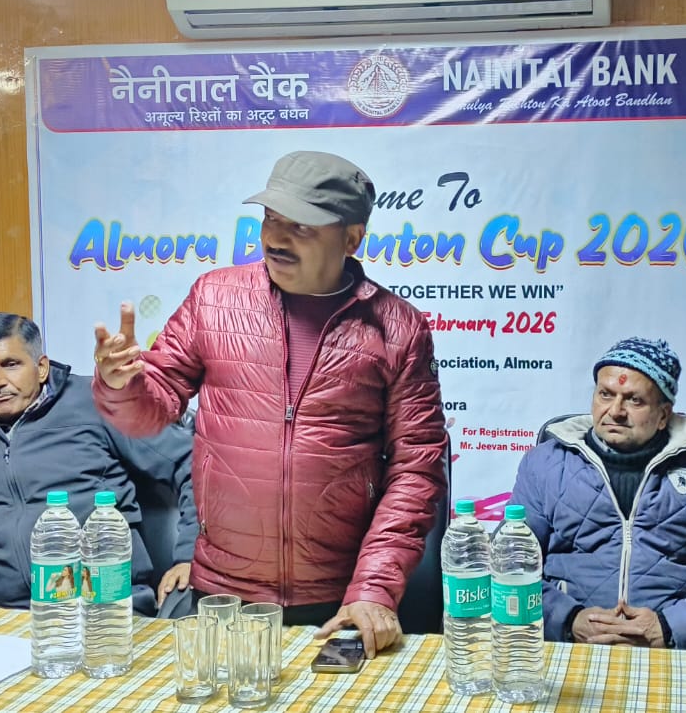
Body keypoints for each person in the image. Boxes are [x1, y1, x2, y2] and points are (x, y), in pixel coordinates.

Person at [91, 150, 447, 657]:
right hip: (222, 596)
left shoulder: (397, 328)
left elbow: (417, 469)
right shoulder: (214, 299)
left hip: (338, 604)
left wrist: (373, 588)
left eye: (301, 226)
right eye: (271, 219)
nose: (277, 238)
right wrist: (122, 385)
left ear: (351, 239)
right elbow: (153, 407)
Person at [509, 337, 686, 658]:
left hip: (673, 655)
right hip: (569, 650)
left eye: (634, 400)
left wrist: (668, 628)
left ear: (664, 414)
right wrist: (568, 620)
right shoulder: (544, 464)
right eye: (605, 394)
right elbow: (508, 567)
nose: (615, 411)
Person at [0, 313, 195, 615]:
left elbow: (194, 462)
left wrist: (191, 556)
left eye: (11, 364)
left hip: (104, 607)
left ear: (41, 367)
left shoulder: (100, 403)